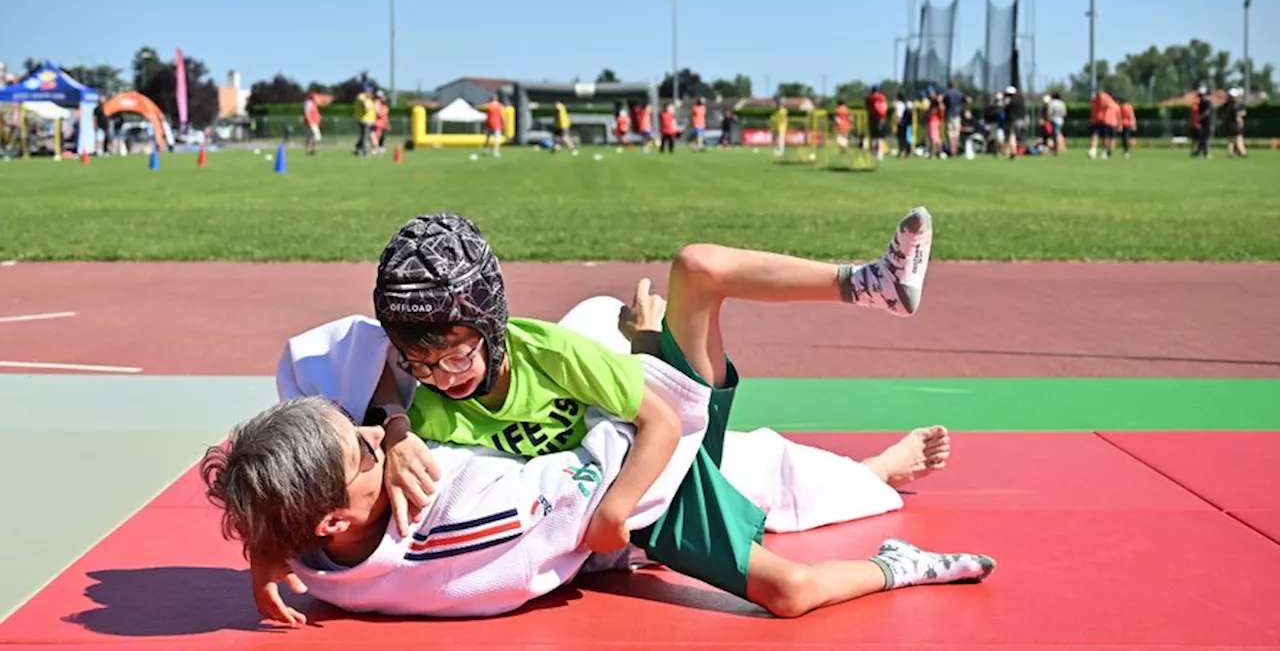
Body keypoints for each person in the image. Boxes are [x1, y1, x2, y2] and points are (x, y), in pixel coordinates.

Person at [206, 283, 995, 625]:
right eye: (370, 443)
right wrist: (651, 353)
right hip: (615, 476)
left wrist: (269, 547)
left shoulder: (317, 539)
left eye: (367, 422)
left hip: (567, 426)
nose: (381, 430)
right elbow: (619, 469)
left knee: (765, 471)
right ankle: (897, 552)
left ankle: (873, 471)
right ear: (341, 512)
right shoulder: (470, 515)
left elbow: (282, 426)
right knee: (766, 505)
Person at [355, 206, 987, 617]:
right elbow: (353, 411)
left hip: (652, 460)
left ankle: (873, 283)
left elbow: (661, 420)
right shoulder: (430, 402)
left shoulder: (548, 351)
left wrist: (616, 507)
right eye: (421, 364)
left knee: (697, 265)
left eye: (458, 358)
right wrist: (396, 426)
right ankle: (896, 559)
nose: (442, 377)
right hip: (643, 503)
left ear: (491, 327)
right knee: (790, 589)